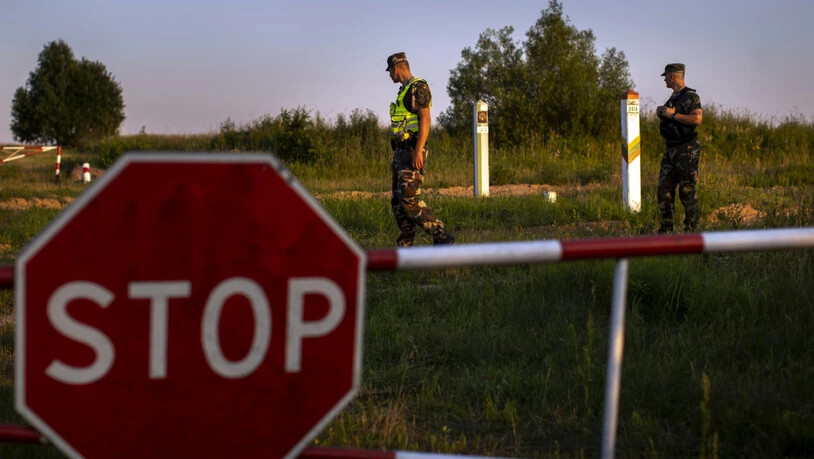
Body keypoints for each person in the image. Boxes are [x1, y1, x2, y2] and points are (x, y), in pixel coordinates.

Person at [385, 52, 455, 246]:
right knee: (398, 203)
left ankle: (441, 234)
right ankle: (405, 246)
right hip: (401, 153)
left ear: (396, 68)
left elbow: (425, 118)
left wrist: (418, 150)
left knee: (410, 201)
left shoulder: (417, 87)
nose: (390, 75)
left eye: (390, 71)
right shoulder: (404, 90)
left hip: (412, 151)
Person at [655, 63, 703, 234]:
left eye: (666, 76)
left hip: (686, 149)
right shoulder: (672, 98)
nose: (665, 80)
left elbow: (697, 119)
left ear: (673, 76)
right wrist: (662, 112)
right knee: (664, 189)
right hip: (671, 149)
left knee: (686, 190)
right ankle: (666, 229)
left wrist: (673, 115)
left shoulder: (691, 96)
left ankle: (692, 229)